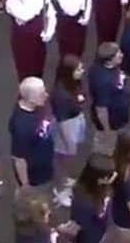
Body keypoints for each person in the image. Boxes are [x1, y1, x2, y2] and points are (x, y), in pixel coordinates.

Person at [10, 77, 62, 205]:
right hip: (35, 175)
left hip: (46, 163)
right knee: (33, 201)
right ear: (31, 99)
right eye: (42, 94)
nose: (46, 95)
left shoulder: (38, 107)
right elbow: (19, 159)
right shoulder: (21, 126)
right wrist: (25, 184)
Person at [5, 0, 55, 81]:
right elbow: (27, 15)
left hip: (39, 39)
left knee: (39, 70)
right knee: (26, 74)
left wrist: (49, 30)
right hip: (23, 42)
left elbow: (50, 12)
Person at [53, 55, 89, 195]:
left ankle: (66, 178)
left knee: (69, 154)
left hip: (76, 119)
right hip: (67, 125)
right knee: (64, 155)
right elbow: (63, 122)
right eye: (78, 69)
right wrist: (68, 142)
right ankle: (61, 186)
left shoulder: (74, 84)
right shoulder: (61, 95)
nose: (82, 71)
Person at [90, 42, 130, 155]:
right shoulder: (103, 82)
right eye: (118, 55)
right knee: (107, 145)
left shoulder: (109, 67)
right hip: (113, 120)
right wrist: (107, 130)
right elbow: (101, 108)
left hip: (120, 112)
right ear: (109, 60)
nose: (122, 55)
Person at [62, 154, 115, 243]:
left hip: (100, 227)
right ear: (100, 179)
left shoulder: (102, 187)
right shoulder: (83, 202)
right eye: (110, 176)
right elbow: (77, 227)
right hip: (89, 237)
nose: (114, 176)